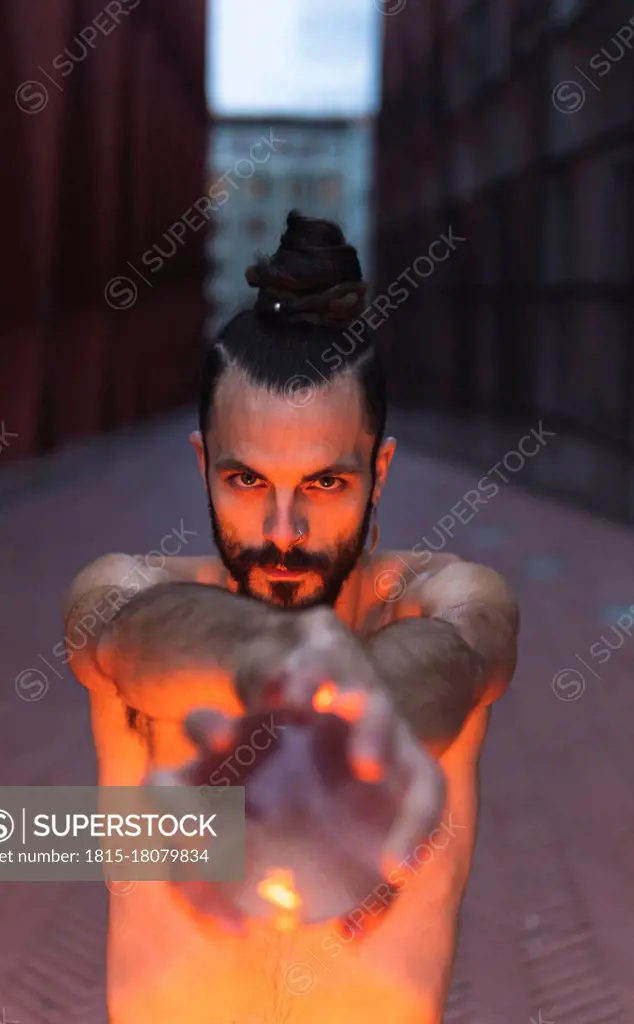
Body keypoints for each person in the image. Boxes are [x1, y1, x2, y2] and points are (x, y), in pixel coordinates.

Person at [64, 210, 519, 1024]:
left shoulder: (443, 594)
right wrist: (277, 664)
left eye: (322, 486)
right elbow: (122, 633)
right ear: (204, 466)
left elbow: (464, 648)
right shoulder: (128, 587)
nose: (281, 533)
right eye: (247, 483)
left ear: (378, 471)